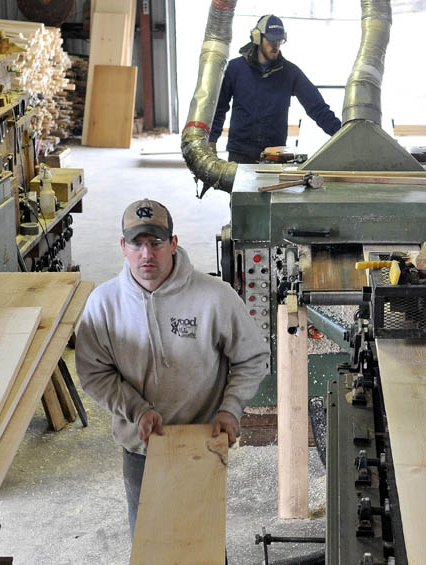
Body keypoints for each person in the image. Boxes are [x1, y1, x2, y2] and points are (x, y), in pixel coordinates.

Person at [75, 198, 269, 537]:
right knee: (150, 541)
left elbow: (251, 357)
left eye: (156, 243)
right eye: (137, 244)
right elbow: (94, 372)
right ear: (123, 247)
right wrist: (136, 410)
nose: (146, 254)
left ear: (173, 244)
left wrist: (231, 409)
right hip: (141, 446)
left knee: (202, 542)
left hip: (204, 441)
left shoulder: (215, 297)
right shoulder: (103, 305)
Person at [209, 14, 342, 164]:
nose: (276, 45)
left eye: (279, 40)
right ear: (257, 38)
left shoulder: (290, 73)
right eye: (271, 39)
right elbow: (219, 108)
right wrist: (211, 140)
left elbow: (317, 108)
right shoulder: (235, 69)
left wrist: (342, 135)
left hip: (275, 157)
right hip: (240, 154)